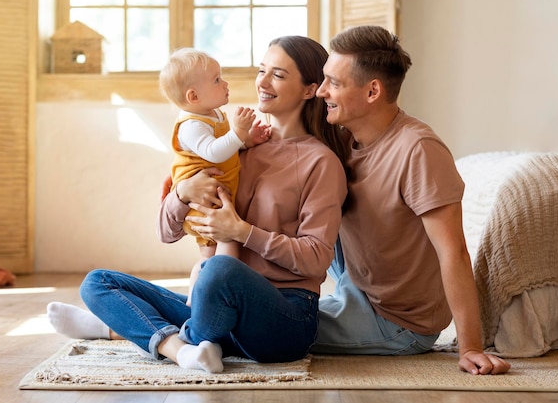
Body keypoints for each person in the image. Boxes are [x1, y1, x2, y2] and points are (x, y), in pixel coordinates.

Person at [46, 35, 351, 373]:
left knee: (218, 270)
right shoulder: (228, 146)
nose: (262, 82)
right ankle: (184, 348)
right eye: (262, 70)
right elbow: (166, 231)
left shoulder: (321, 163)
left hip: (285, 317)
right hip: (218, 306)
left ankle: (124, 330)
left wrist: (242, 231)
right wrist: (182, 192)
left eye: (278, 75)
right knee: (98, 282)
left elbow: (316, 258)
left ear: (310, 89)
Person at [308, 25, 510, 375]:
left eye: (334, 83)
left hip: (398, 322)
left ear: (373, 91)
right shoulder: (342, 138)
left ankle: (182, 322)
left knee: (271, 329)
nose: (322, 91)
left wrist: (470, 347)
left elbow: (454, 252)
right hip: (355, 282)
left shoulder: (419, 150)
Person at [159, 48, 271, 305]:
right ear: (193, 96)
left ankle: (197, 306)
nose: (225, 84)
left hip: (214, 196)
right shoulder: (191, 125)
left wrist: (246, 140)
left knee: (215, 258)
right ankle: (197, 307)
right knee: (217, 256)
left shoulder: (211, 115)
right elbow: (214, 152)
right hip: (202, 204)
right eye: (217, 80)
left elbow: (223, 148)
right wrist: (239, 132)